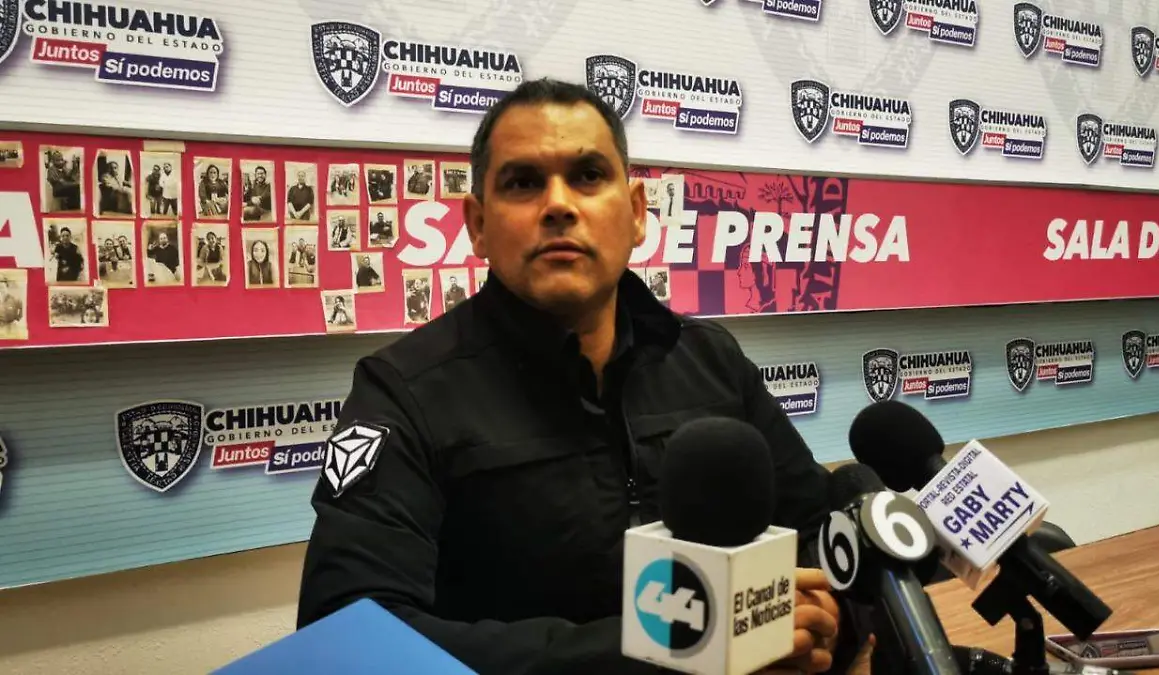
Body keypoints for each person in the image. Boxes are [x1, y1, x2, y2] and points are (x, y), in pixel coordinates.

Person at [297, 79, 873, 675]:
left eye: (589, 175)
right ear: (478, 224)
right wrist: (676, 644)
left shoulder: (711, 360)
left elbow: (824, 534)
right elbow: (347, 638)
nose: (558, 205)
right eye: (523, 182)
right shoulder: (403, 391)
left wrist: (825, 624)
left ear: (637, 212)